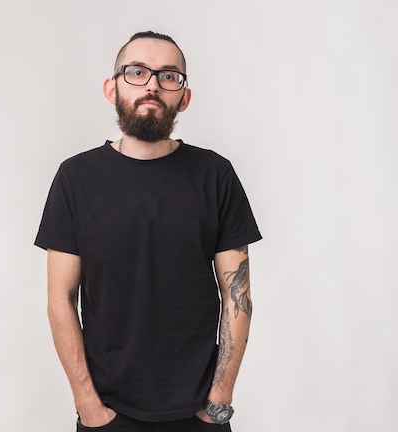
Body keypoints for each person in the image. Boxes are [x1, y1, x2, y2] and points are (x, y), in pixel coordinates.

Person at [35, 31, 262, 431]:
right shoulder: (76, 178)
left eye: (169, 76)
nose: (153, 85)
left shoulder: (215, 175)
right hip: (108, 413)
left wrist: (219, 401)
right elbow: (60, 299)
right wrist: (87, 404)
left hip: (200, 413)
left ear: (184, 97)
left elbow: (237, 295)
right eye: (137, 71)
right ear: (112, 88)